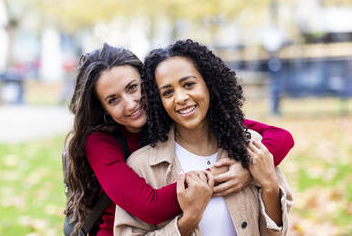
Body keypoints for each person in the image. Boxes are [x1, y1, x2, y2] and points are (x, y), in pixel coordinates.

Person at [65, 43, 294, 236]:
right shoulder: (102, 143)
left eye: (134, 88)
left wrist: (249, 169)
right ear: (102, 107)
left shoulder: (193, 122)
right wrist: (211, 181)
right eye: (113, 100)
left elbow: (281, 137)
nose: (130, 103)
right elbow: (150, 206)